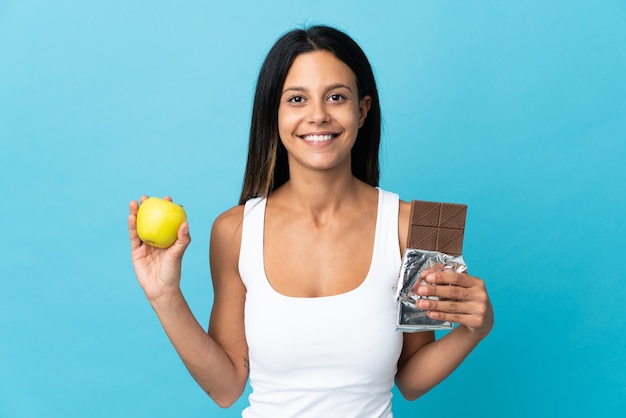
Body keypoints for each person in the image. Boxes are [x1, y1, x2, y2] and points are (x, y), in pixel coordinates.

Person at [128, 25, 494, 418]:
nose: (318, 116)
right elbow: (226, 386)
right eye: (297, 99)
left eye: (336, 97)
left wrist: (477, 327)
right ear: (275, 113)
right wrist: (164, 296)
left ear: (362, 110)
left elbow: (410, 379)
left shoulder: (423, 225)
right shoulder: (234, 230)